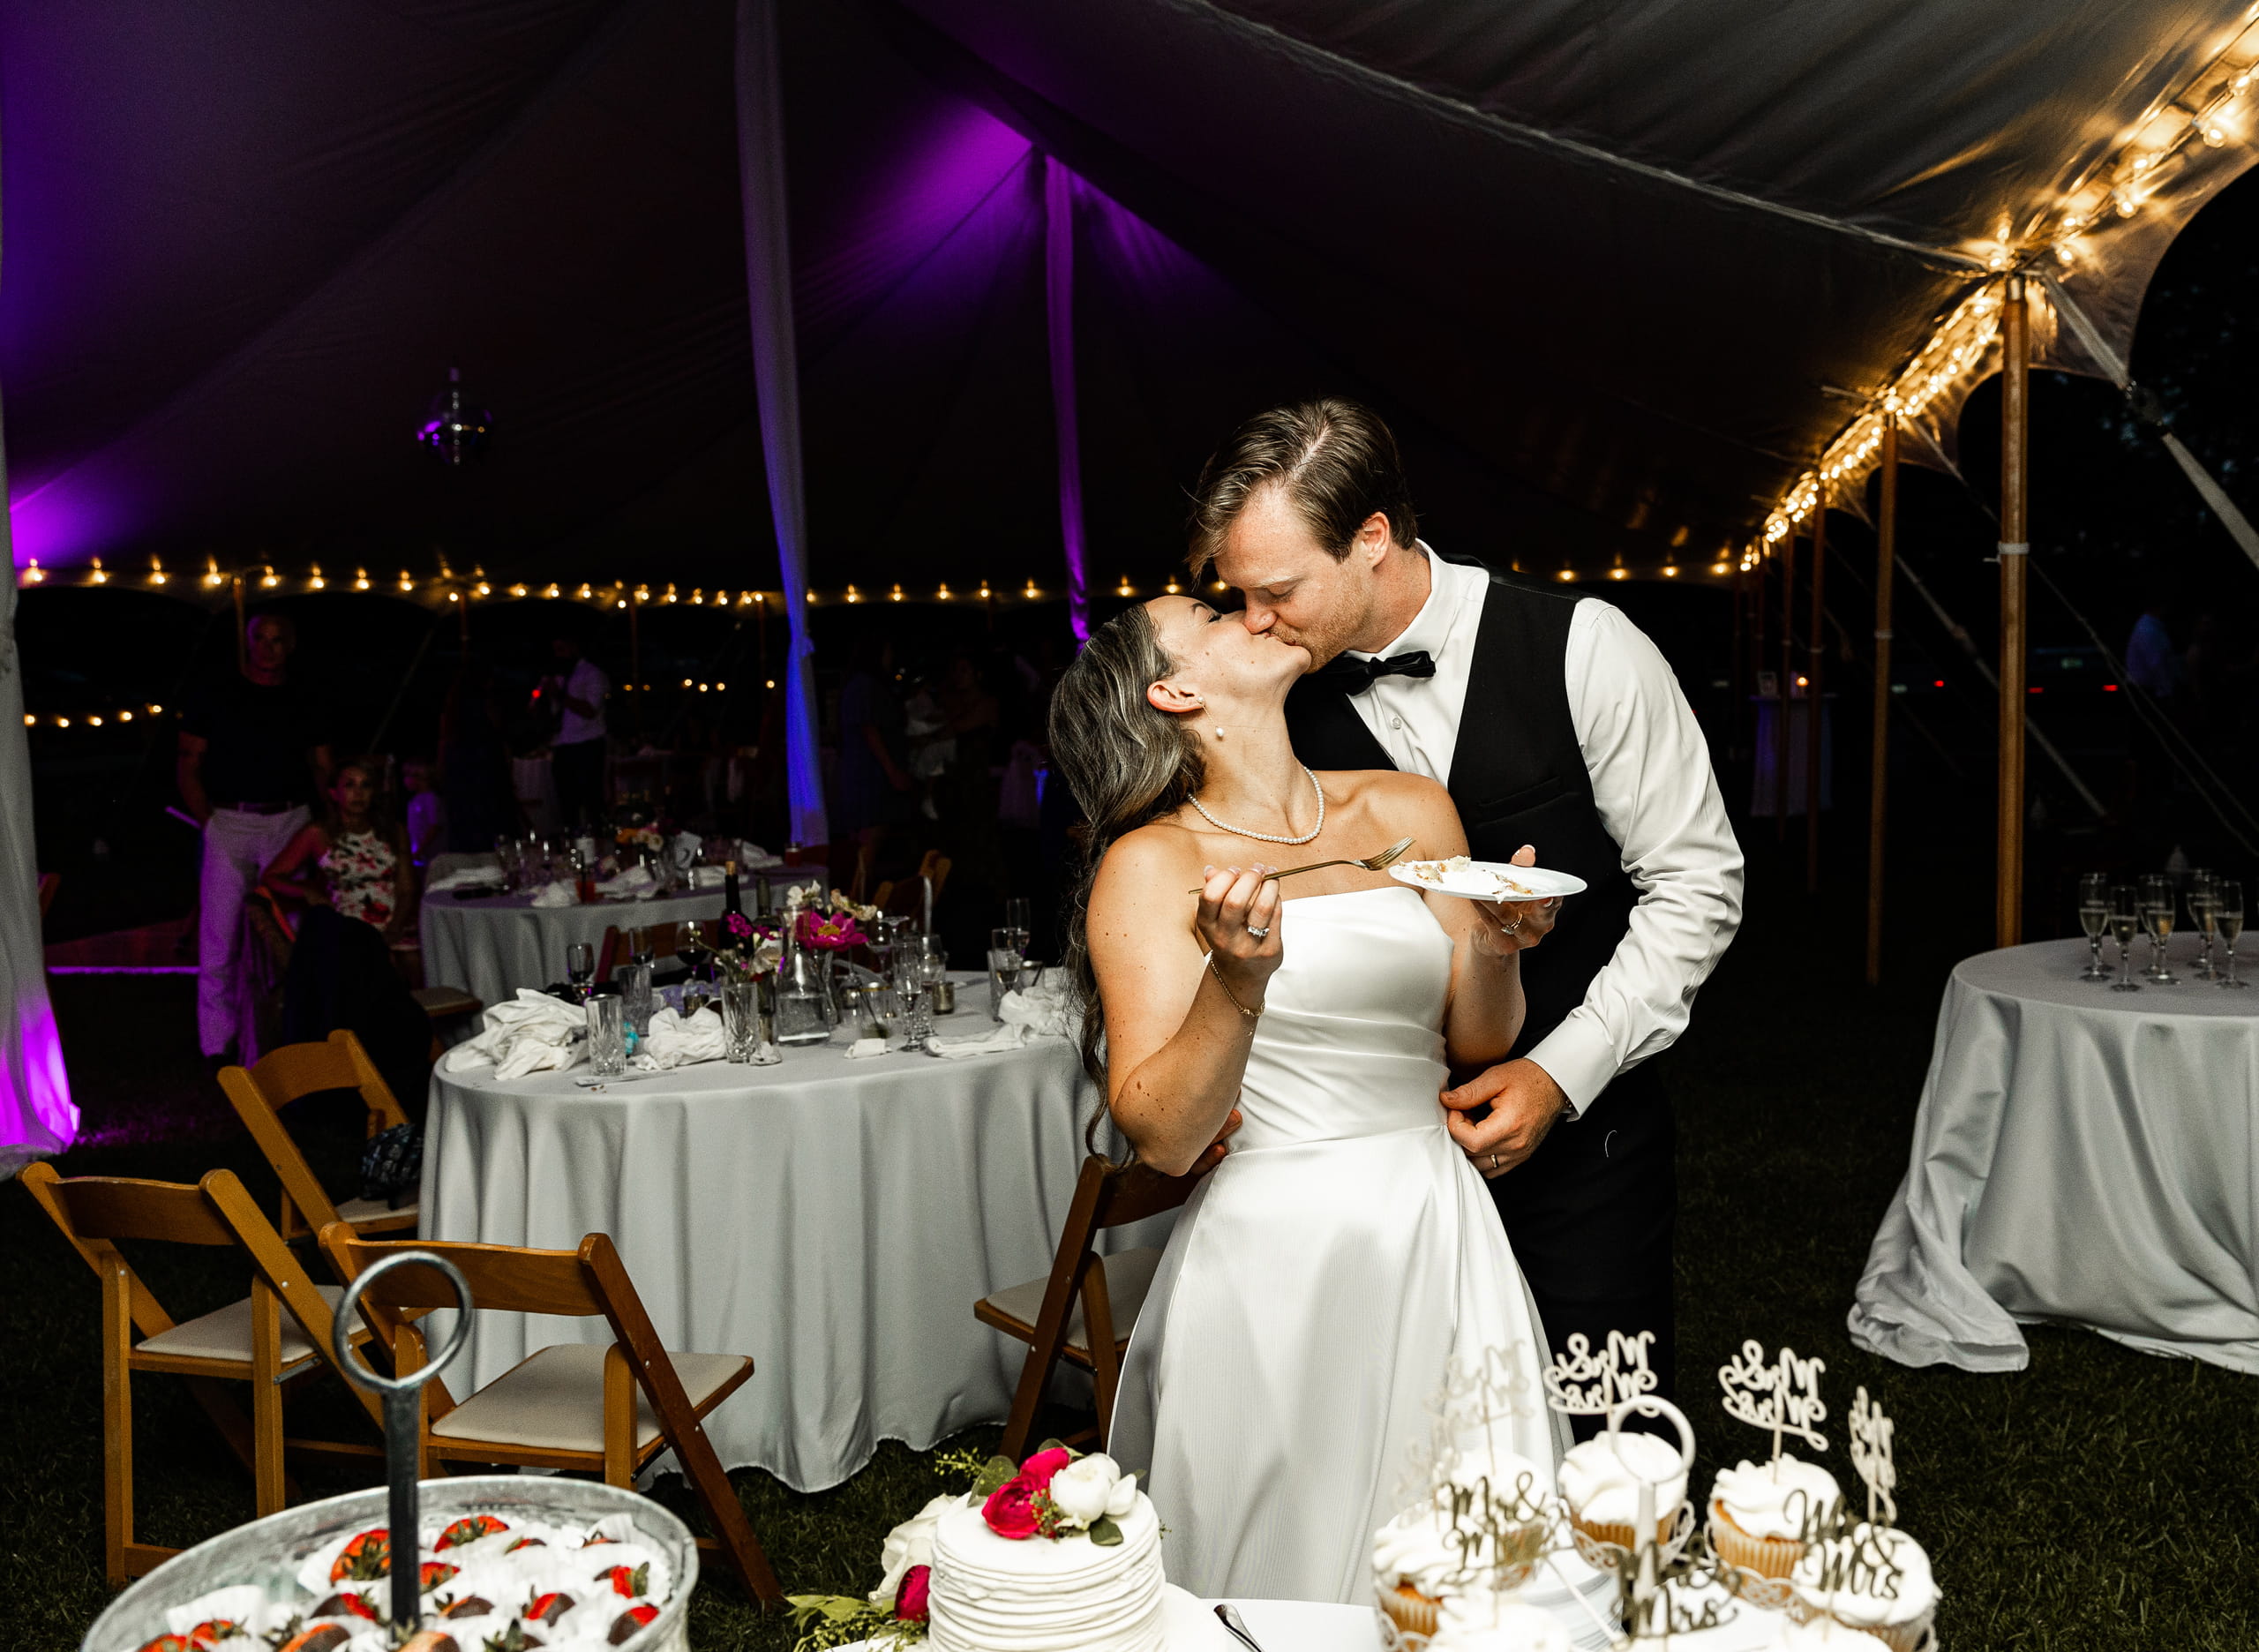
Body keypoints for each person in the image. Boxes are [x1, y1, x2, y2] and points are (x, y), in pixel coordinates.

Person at [1194, 397, 1743, 1416]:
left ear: (1371, 540)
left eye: (1276, 591)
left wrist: (1559, 1072)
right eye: (1239, 597)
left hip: (1587, 1143)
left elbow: (1697, 884)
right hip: (1374, 1176)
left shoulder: (1582, 647)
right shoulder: (1272, 700)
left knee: (1603, 1437)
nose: (1254, 622)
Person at [1056, 597, 1567, 1603]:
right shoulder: (1151, 864)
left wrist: (1500, 942)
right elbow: (1163, 1133)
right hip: (1274, 1256)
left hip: (1435, 1225)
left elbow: (1476, 1038)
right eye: (1210, 613)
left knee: (1470, 1554)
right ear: (1176, 690)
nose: (1251, 610)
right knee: (1285, 1568)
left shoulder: (1409, 810)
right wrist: (1236, 984)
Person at [177, 612, 334, 1068]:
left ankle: (299, 1031)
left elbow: (323, 764)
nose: (269, 648)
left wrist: (324, 824)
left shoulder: (305, 697)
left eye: (278, 640)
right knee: (220, 935)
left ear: (292, 644)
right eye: (260, 640)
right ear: (248, 643)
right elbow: (187, 760)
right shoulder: (215, 693)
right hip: (231, 820)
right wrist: (208, 821)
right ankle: (215, 1045)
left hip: (291, 821)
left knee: (298, 931)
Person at [258, 757, 431, 1107]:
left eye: (365, 785)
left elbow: (408, 888)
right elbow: (272, 876)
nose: (358, 794)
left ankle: (414, 1068)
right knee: (360, 970)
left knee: (410, 963)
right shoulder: (318, 834)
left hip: (392, 920)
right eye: (349, 785)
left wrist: (394, 926)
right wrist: (308, 891)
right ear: (335, 792)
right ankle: (359, 1072)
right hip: (347, 927)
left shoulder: (391, 829)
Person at [539, 632, 609, 827]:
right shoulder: (559, 677)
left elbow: (589, 710)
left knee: (592, 801)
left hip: (588, 745)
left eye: (561, 649)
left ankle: (599, 842)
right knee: (566, 803)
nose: (558, 655)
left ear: (574, 648)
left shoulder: (592, 674)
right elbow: (544, 711)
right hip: (563, 745)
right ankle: (572, 845)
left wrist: (560, 695)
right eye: (555, 651)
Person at [400, 756, 447, 870]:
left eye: (408, 775)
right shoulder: (414, 800)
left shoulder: (431, 799)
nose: (405, 780)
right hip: (420, 858)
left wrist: (420, 850)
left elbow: (435, 826)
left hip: (433, 858)